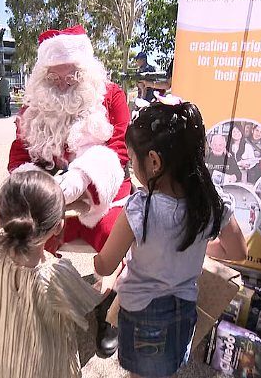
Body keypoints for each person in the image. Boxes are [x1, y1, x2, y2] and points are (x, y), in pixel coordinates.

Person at [93, 100, 248, 378]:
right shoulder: (213, 201)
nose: (131, 168)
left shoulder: (140, 208)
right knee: (167, 368)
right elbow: (237, 250)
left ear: (154, 161)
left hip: (143, 315)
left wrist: (97, 255)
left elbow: (105, 266)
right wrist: (197, 245)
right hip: (185, 310)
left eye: (131, 160)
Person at [8, 24, 131, 358]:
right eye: (54, 77)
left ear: (87, 70)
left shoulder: (112, 96)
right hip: (51, 199)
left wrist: (80, 180)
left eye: (72, 76)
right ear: (41, 74)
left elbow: (120, 151)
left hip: (102, 195)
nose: (63, 83)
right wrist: (45, 190)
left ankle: (109, 310)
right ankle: (43, 304)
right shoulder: (32, 105)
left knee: (114, 234)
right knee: (26, 235)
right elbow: (19, 158)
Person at [0, 170, 104, 378]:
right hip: (48, 365)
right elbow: (93, 297)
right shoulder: (56, 274)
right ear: (59, 226)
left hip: (7, 357)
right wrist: (112, 273)